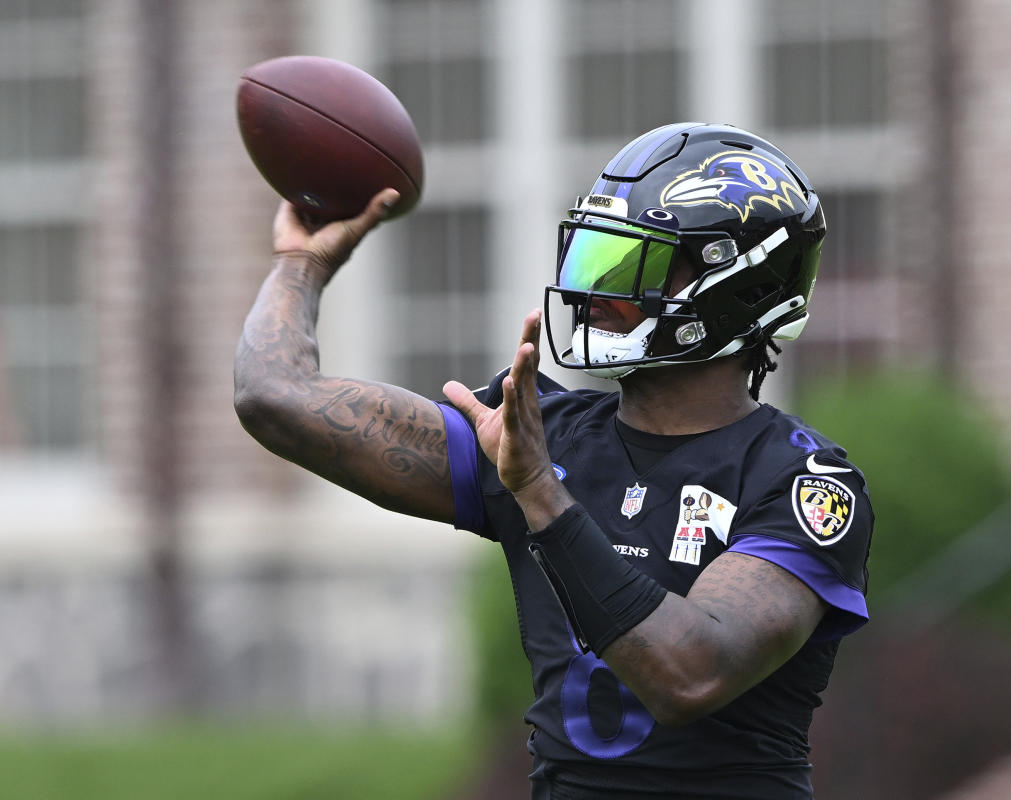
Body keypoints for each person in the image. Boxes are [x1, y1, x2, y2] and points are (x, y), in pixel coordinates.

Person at [235, 122, 874, 799]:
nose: (596, 291)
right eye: (593, 258)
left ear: (736, 284)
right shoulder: (540, 432)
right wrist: (301, 265)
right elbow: (274, 397)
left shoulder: (802, 481)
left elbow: (688, 672)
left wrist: (539, 493)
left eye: (635, 264)